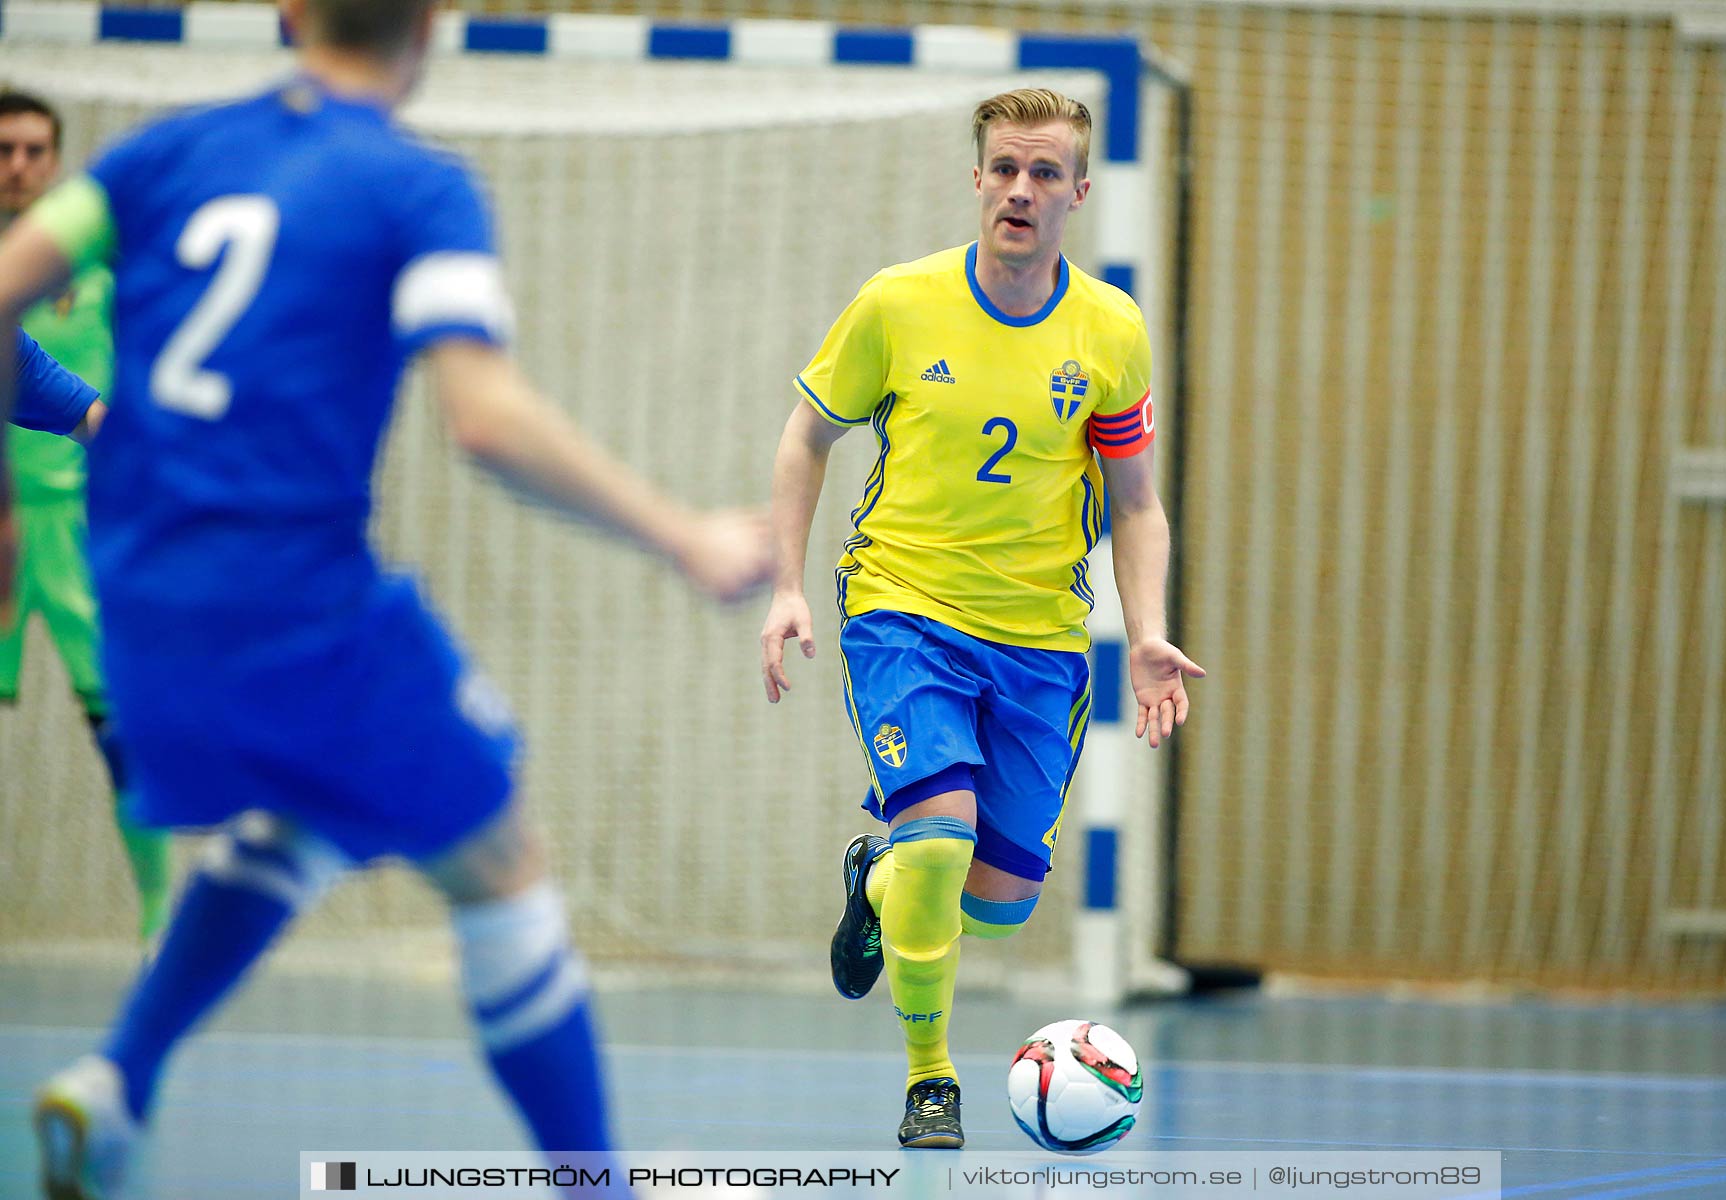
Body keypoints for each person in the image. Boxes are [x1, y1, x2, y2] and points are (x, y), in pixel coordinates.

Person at [0, 0, 771, 1194]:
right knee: (502, 857)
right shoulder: (417, 190)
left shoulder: (158, 156)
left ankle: (117, 1083)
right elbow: (486, 418)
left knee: (304, 813)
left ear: (289, 14)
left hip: (142, 605)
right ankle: (598, 1185)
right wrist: (684, 537)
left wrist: (77, 412)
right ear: (433, 28)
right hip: (295, 604)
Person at [759, 87, 1203, 1149]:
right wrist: (785, 584)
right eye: (1005, 167)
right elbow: (804, 439)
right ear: (977, 178)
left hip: (1041, 639)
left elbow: (1136, 503)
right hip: (904, 610)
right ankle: (931, 1081)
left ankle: (880, 876)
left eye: (1046, 172)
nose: (1021, 189)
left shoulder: (1109, 329)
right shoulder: (898, 304)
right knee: (944, 842)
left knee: (996, 899)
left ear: (1079, 193)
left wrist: (1145, 631)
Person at [0, 90, 168, 947]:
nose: (19, 167)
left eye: (35, 151)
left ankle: (156, 916)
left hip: (74, 528)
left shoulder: (98, 274)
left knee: (121, 733)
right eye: (4, 150)